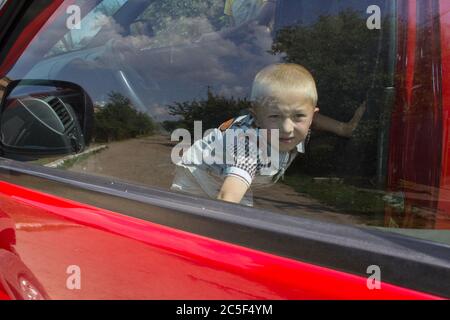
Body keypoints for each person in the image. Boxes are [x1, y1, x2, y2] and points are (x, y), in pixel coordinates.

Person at [171, 63, 320, 205]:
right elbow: (227, 197)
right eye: (275, 117)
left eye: (298, 116)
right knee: (232, 219)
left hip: (219, 173)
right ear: (257, 117)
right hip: (198, 177)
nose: (287, 128)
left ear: (312, 116)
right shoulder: (250, 147)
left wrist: (340, 128)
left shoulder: (293, 128)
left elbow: (314, 118)